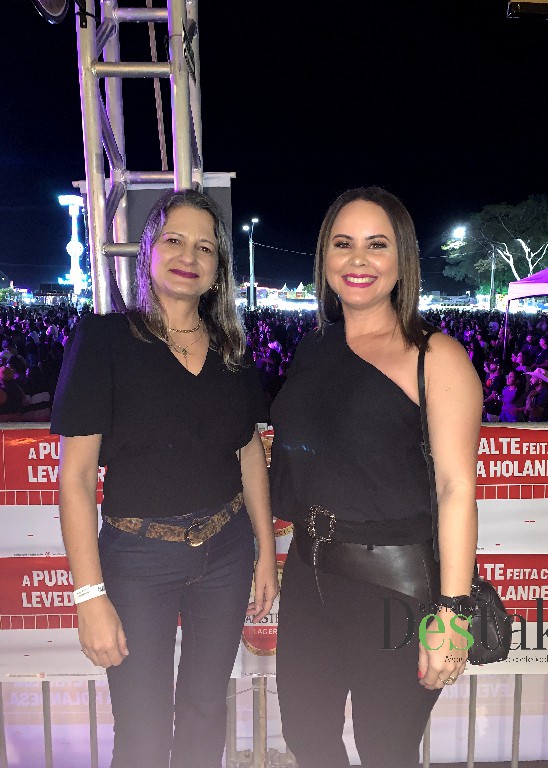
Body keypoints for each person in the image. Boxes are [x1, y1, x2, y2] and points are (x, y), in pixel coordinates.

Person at [50, 188, 278, 768]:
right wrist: (89, 596)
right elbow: (76, 479)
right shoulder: (104, 341)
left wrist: (264, 553)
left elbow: (249, 451)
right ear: (148, 249)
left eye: (205, 247)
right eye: (175, 240)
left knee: (205, 712)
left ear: (218, 267)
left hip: (226, 553)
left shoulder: (231, 349)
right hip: (136, 560)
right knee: (142, 728)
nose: (189, 256)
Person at [270, 186, 482, 768]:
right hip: (309, 575)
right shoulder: (314, 348)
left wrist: (453, 614)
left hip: (396, 589)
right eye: (343, 244)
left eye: (376, 244)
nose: (357, 259)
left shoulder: (435, 356)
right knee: (307, 738)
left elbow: (457, 489)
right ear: (325, 257)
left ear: (402, 258)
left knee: (386, 750)